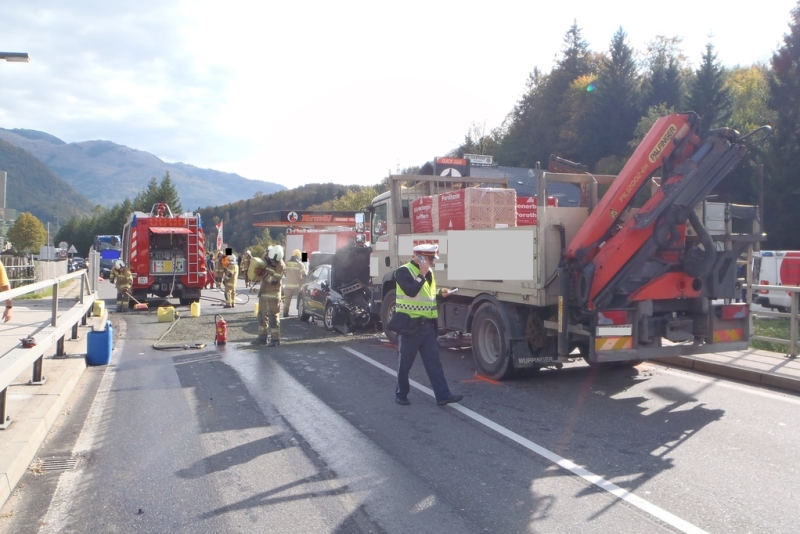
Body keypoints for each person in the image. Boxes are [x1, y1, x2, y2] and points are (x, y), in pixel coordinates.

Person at [393, 244, 462, 407]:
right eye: (429, 259)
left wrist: (441, 294)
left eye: (432, 259)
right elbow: (410, 291)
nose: (431, 263)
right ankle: (401, 394)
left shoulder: (428, 273)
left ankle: (443, 395)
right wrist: (422, 274)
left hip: (427, 327)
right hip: (410, 327)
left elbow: (427, 296)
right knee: (405, 364)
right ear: (419, 257)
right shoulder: (403, 271)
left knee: (434, 363)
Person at [257, 245, 285, 346]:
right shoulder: (265, 256)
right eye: (272, 260)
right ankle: (262, 338)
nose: (273, 263)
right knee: (261, 316)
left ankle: (275, 339)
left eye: (275, 261)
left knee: (273, 317)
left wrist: (264, 274)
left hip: (274, 294)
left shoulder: (281, 265)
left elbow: (274, 281)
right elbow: (258, 265)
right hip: (263, 292)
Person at [283, 249, 307, 317]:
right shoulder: (300, 264)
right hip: (297, 286)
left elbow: (284, 273)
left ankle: (285, 313)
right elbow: (304, 275)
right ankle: (300, 313)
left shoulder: (287, 263)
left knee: (287, 301)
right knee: (301, 299)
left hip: (288, 285)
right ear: (297, 256)